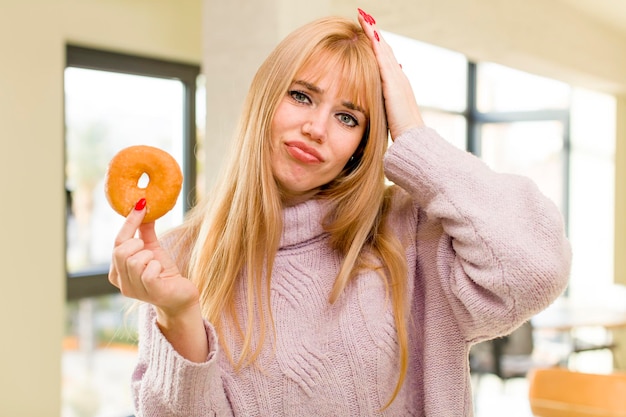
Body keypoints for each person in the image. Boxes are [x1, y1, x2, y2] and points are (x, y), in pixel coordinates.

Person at [109, 9, 571, 416]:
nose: (315, 128)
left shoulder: (407, 236)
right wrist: (178, 315)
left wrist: (412, 132)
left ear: (363, 143)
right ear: (266, 98)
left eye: (348, 117)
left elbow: (536, 267)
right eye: (302, 96)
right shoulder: (181, 260)